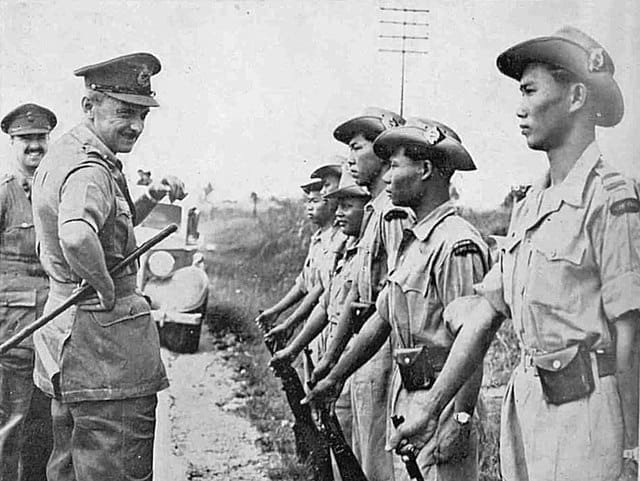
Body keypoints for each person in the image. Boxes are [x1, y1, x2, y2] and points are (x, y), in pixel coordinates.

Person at [388, 27, 640, 481]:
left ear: (577, 96)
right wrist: (430, 406)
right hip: (526, 415)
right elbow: (486, 312)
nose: (519, 108)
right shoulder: (529, 207)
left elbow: (632, 339)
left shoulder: (611, 199)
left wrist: (631, 451)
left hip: (590, 422)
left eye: (530, 90)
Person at [306, 117, 489, 480]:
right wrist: (336, 376)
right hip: (408, 399)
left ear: (424, 170)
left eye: (394, 166)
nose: (386, 178)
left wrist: (460, 418)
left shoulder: (456, 244)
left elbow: (473, 343)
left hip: (443, 403)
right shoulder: (413, 242)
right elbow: (383, 316)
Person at [31, 52, 186, 481]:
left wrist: (150, 196)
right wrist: (104, 287)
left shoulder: (68, 153)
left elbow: (106, 234)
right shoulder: (90, 170)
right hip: (104, 349)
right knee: (115, 466)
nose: (135, 125)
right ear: (89, 106)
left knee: (69, 463)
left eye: (141, 114)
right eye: (124, 112)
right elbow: (78, 235)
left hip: (69, 336)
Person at [306, 107, 413, 481]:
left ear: (383, 152)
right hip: (362, 348)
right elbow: (353, 292)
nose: (350, 158)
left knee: (376, 464)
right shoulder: (375, 211)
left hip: (381, 350)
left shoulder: (391, 214)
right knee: (358, 457)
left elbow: (397, 300)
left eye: (358, 147)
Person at [0, 103, 56, 480]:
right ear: (12, 142)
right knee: (12, 423)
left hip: (54, 329)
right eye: (26, 139)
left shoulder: (56, 193)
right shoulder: (4, 195)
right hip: (13, 330)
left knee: (47, 424)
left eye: (40, 138)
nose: (34, 146)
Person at [259, 162, 343, 344]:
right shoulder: (318, 238)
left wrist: (290, 322)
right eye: (307, 202)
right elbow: (304, 283)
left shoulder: (340, 239)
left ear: (330, 203)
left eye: (314, 201)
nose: (309, 207)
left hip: (328, 327)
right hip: (312, 326)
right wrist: (275, 311)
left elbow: (321, 289)